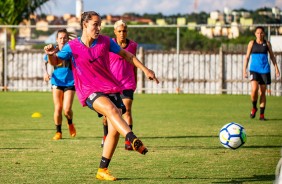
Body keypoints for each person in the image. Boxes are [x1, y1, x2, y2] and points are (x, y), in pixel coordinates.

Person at [44, 11, 159, 181]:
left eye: (100, 24)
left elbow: (127, 55)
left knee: (114, 130)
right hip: (89, 91)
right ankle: (133, 138)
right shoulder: (72, 46)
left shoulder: (105, 41)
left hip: (111, 87)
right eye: (95, 24)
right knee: (112, 110)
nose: (98, 28)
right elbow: (55, 62)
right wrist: (50, 54)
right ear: (85, 25)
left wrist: (145, 69)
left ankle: (102, 170)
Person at [101, 20, 138, 150]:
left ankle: (129, 141)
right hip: (110, 84)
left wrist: (135, 80)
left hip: (127, 83)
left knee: (126, 110)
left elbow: (134, 62)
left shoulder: (133, 45)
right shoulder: (108, 44)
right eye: (120, 31)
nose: (122, 34)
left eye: (124, 31)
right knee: (107, 115)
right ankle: (106, 136)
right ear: (115, 32)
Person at [43, 28, 76, 140]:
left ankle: (70, 123)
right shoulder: (53, 51)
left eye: (64, 38)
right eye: (60, 38)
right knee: (58, 108)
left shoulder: (70, 51)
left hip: (70, 82)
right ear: (57, 39)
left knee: (67, 109)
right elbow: (45, 61)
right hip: (56, 82)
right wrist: (46, 73)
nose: (62, 40)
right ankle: (58, 132)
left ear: (67, 39)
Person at [243, 26, 280, 120]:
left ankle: (262, 115)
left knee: (263, 92)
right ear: (255, 34)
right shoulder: (252, 43)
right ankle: (254, 107)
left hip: (265, 70)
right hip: (254, 69)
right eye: (258, 33)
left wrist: (276, 69)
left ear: (264, 34)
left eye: (261, 33)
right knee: (254, 89)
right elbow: (247, 57)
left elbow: (272, 56)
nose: (259, 34)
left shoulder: (267, 43)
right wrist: (244, 70)